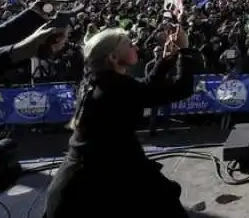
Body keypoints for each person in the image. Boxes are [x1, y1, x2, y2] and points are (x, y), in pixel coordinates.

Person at [43, 25, 199, 218]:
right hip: (95, 183)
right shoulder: (115, 88)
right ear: (113, 58)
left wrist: (166, 61)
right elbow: (180, 89)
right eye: (128, 44)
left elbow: (142, 89)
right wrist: (186, 51)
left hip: (100, 170)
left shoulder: (100, 80)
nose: (134, 45)